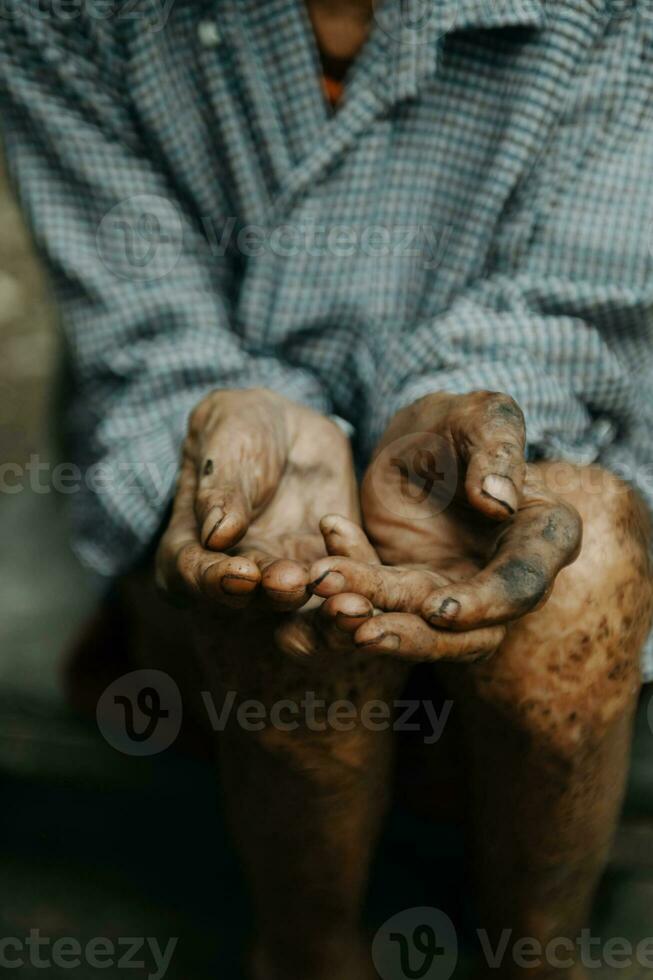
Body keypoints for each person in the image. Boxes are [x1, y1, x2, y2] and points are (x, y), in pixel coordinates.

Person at [1, 1, 652, 977]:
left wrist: (436, 423)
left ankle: (532, 953)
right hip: (212, 566)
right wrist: (244, 414)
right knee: (271, 540)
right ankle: (306, 950)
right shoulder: (65, 13)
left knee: (585, 552)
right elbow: (150, 327)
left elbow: (573, 303)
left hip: (523, 439)